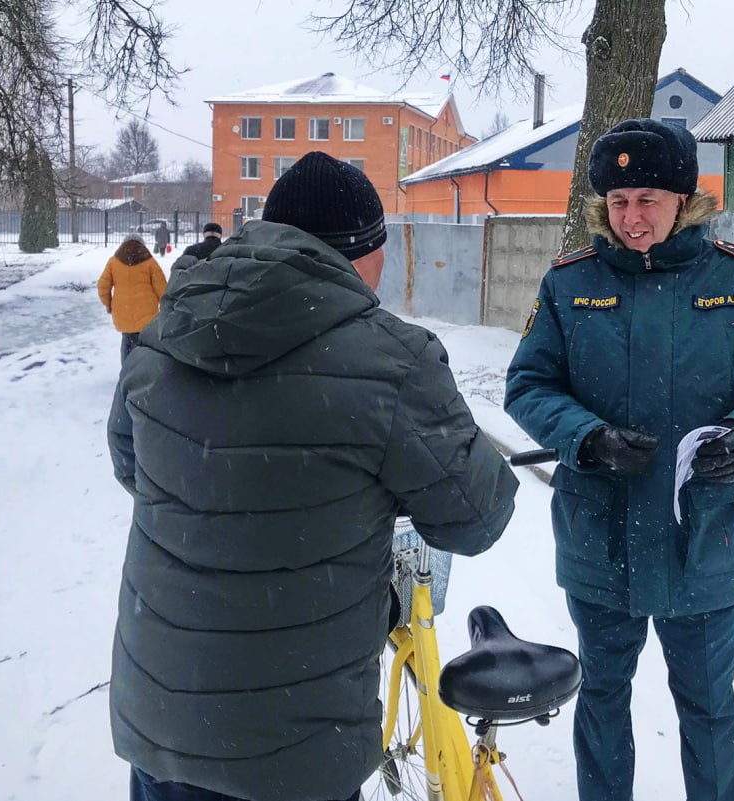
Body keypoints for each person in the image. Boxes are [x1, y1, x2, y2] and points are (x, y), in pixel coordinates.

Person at [107, 150, 518, 801]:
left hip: (165, 723)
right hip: (292, 750)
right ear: (364, 252)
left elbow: (133, 465)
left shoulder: (167, 332)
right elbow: (477, 514)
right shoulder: (391, 359)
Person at [504, 119, 734, 801]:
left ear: (683, 199)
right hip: (601, 536)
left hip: (703, 536)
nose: (632, 217)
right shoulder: (569, 285)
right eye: (618, 202)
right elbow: (527, 385)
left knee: (707, 706)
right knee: (603, 699)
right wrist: (585, 435)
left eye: (647, 198)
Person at [97, 235, 166, 363]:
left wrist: (108, 304)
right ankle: (144, 374)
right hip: (147, 314)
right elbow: (162, 288)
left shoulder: (114, 262)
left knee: (127, 342)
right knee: (146, 345)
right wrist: (165, 307)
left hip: (123, 312)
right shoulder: (150, 262)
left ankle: (126, 373)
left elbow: (102, 286)